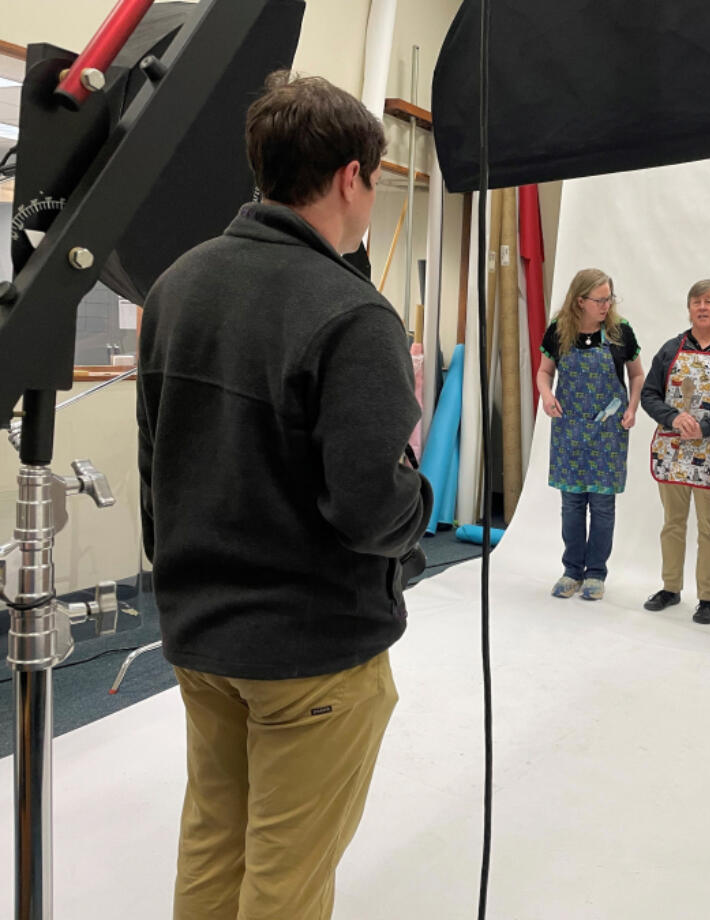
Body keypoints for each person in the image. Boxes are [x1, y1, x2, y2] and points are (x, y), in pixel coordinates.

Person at [137, 72, 432, 919]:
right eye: (377, 178)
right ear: (352, 176)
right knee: (285, 884)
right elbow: (375, 508)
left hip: (201, 635)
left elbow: (158, 465)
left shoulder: (175, 285)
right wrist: (421, 503)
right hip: (313, 655)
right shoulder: (353, 316)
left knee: (213, 847)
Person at [641, 279, 710, 624]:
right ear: (689, 309)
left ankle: (707, 597)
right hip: (672, 450)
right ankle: (670, 588)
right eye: (696, 302)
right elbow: (649, 395)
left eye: (709, 301)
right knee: (672, 523)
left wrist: (704, 426)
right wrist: (674, 418)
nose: (702, 307)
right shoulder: (669, 349)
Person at [537, 268, 645, 601]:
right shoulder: (558, 330)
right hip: (569, 429)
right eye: (599, 299)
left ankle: (596, 573)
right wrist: (545, 394)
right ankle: (572, 571)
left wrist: (632, 407)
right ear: (580, 300)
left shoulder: (620, 332)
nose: (606, 305)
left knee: (601, 505)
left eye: (609, 298)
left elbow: (637, 375)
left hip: (608, 432)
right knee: (571, 504)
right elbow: (544, 372)